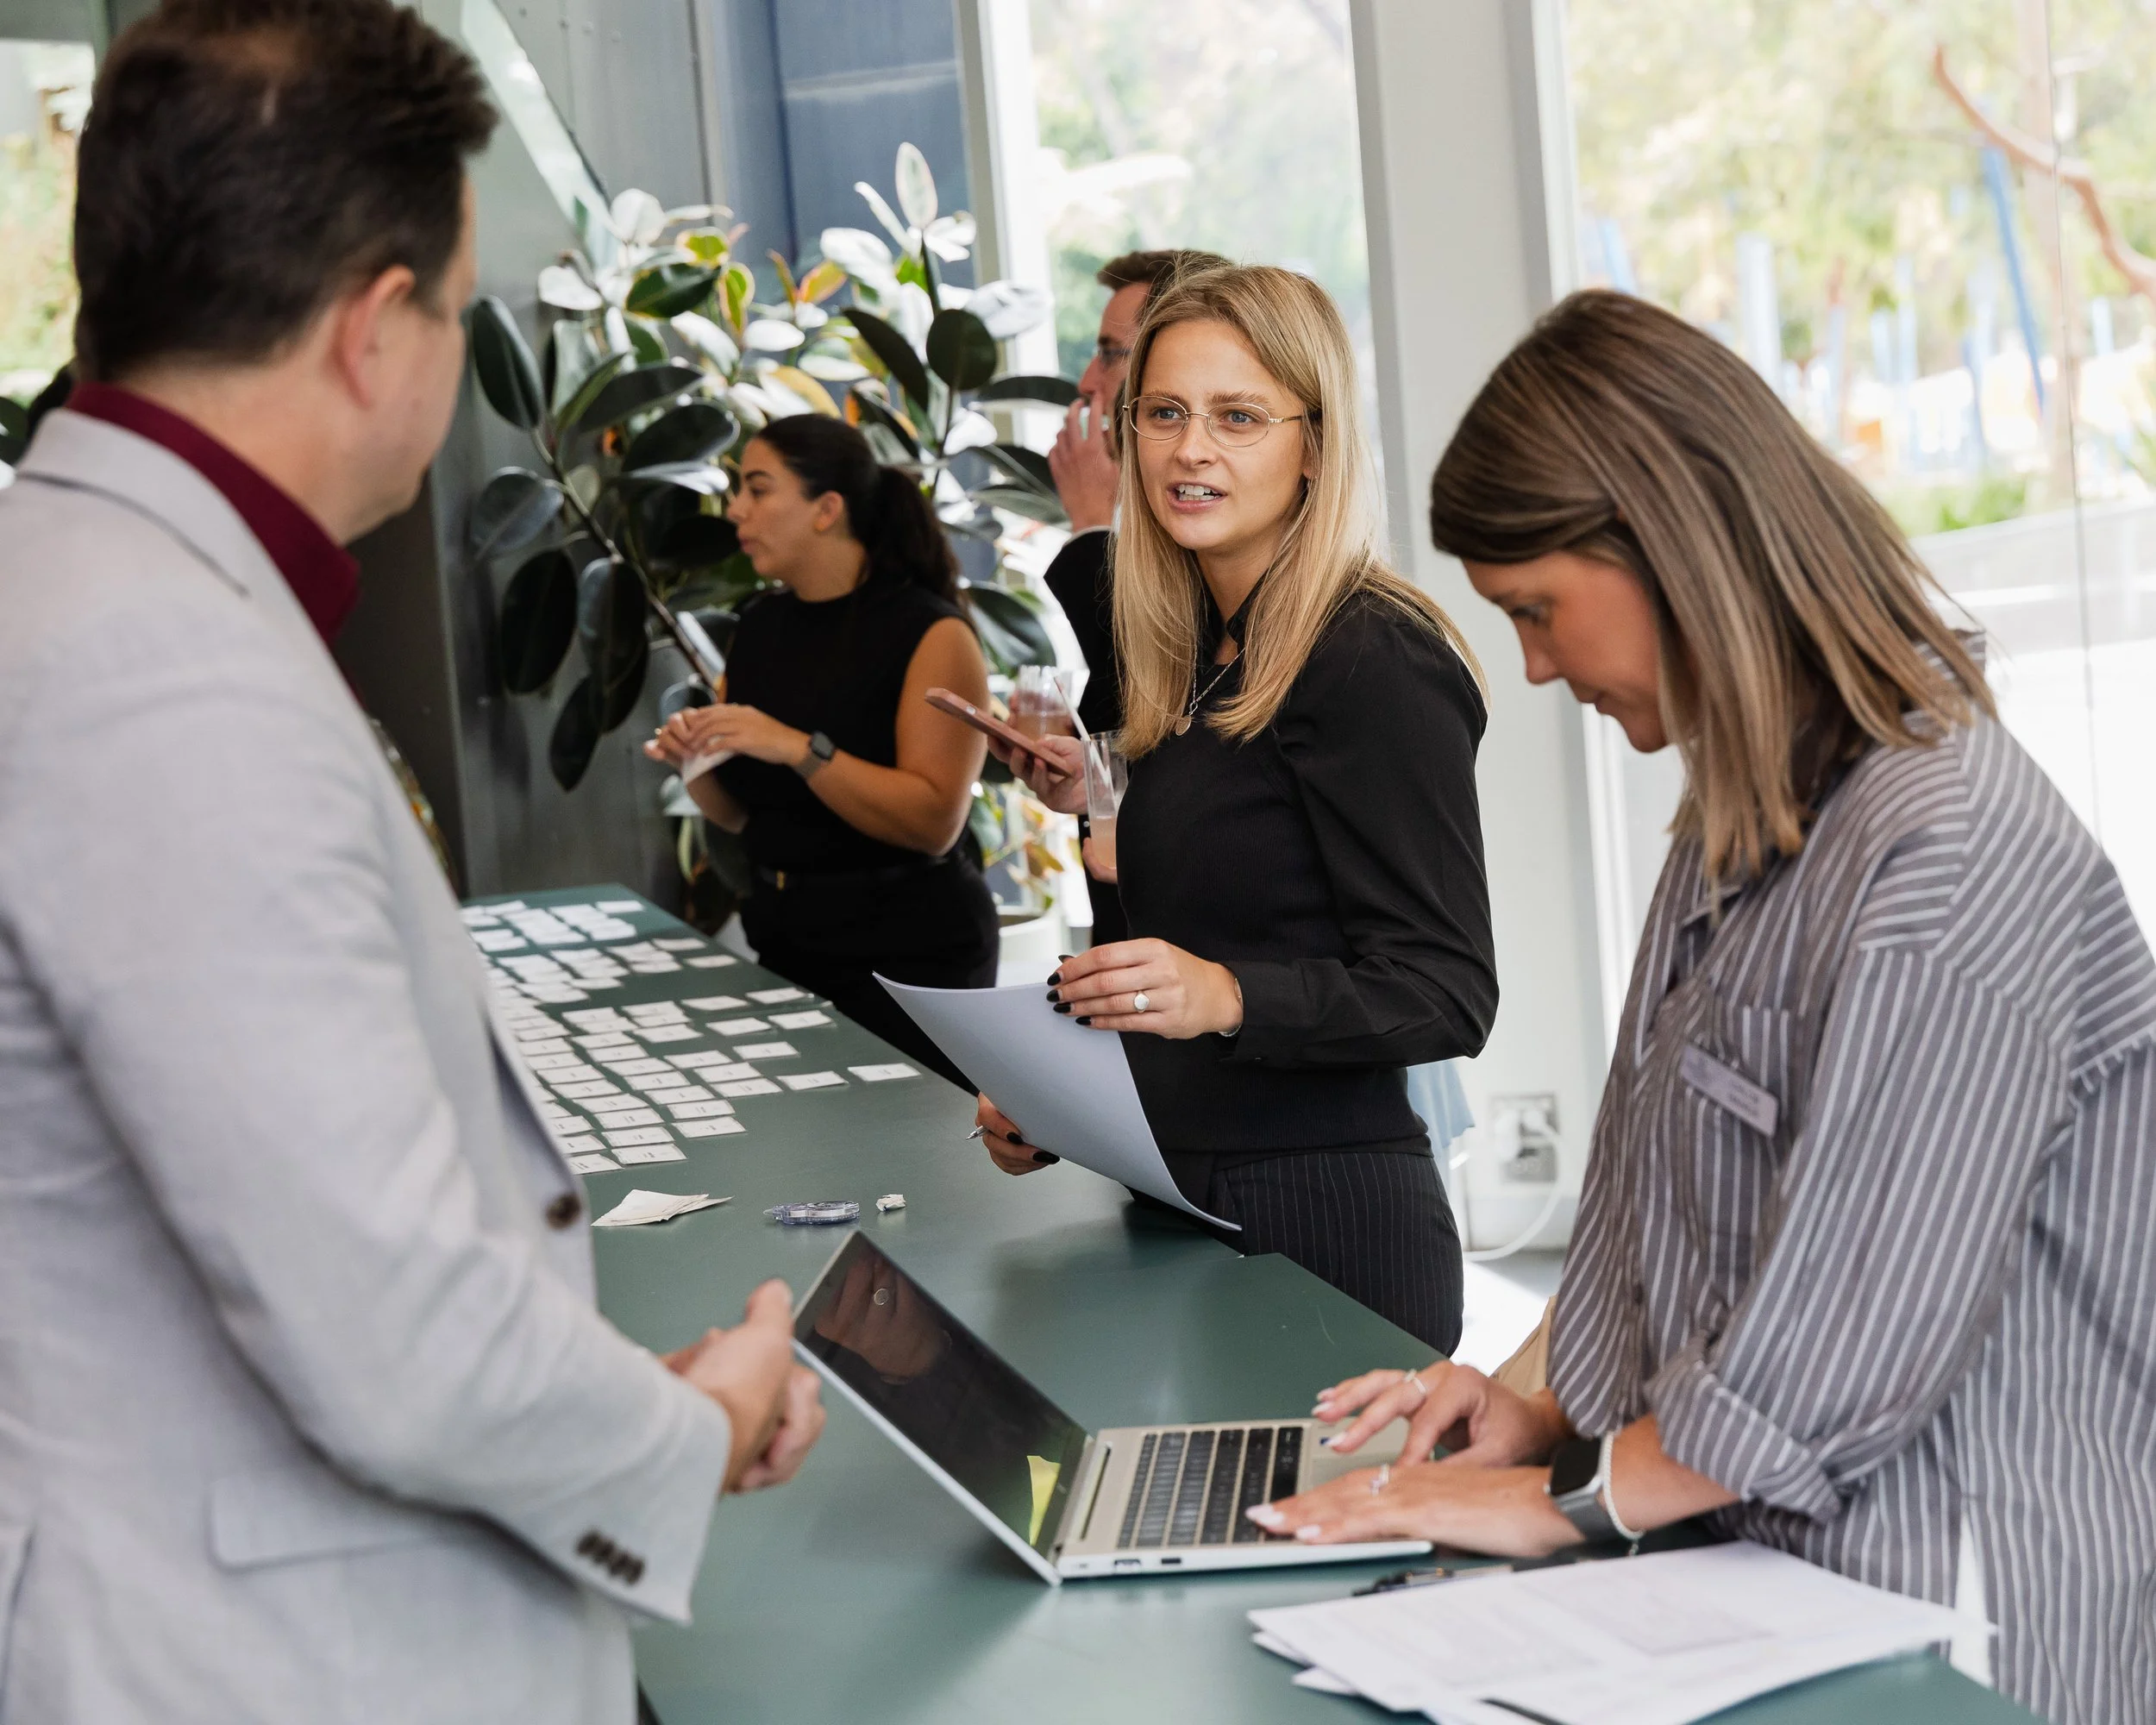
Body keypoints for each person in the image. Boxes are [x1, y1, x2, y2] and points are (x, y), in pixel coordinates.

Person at [0, 4, 822, 1719]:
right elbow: (390, 1332)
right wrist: (693, 1422)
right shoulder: (160, 664)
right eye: (460, 312)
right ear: (379, 330)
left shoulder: (80, 586)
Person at [1252, 291, 2156, 1725]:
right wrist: (1529, 1404)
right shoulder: (1743, 810)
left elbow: (1836, 1352)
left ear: (1669, 544)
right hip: (1754, 1587)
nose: (1536, 667)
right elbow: (1648, 1201)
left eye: (1538, 613)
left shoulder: (1944, 859)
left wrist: (1573, 1510)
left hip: (1953, 1621)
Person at [980, 266, 1498, 1353]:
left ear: (1314, 443)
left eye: (1238, 417)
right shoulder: (1192, 656)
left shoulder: (1370, 655)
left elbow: (1445, 992)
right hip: (1187, 1201)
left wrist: (1224, 993)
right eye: (1163, 412)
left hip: (1328, 1227)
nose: (1189, 449)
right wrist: (1059, 1091)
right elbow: (1169, 954)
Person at [647, 415, 995, 1088]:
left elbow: (933, 823)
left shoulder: (931, 631)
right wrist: (695, 761)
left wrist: (798, 749)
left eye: (757, 488)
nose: (735, 510)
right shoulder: (758, 627)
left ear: (826, 509)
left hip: (911, 960)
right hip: (787, 941)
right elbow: (748, 817)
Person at [1044, 248, 1226, 944]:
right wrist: (1084, 772)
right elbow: (1144, 739)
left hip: (1208, 990)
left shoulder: (1225, 569)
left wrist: (1092, 527)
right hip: (1135, 964)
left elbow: (1163, 684)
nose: (1090, 381)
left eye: (1112, 355)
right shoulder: (1160, 552)